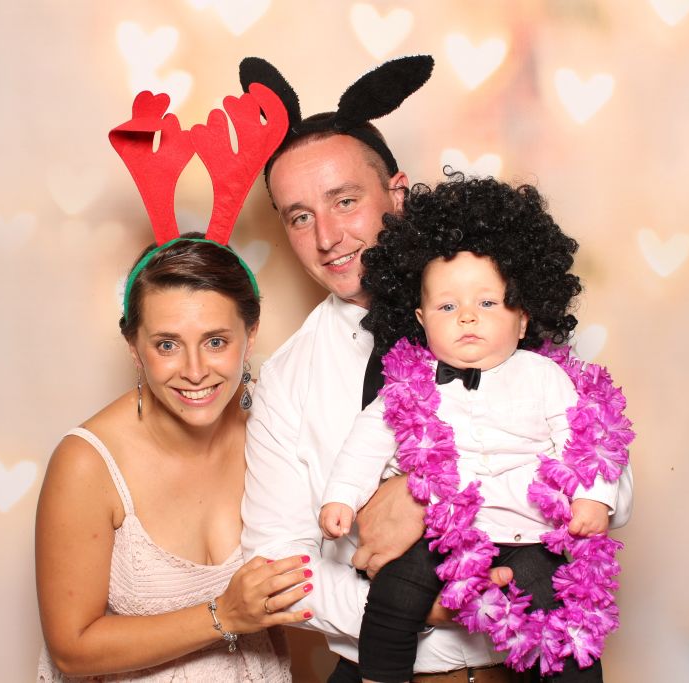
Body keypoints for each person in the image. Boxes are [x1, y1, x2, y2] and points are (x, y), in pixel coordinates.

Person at [239, 56, 634, 683]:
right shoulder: (287, 378)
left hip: (518, 664)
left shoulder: (494, 305)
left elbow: (611, 482)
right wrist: (424, 607)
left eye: (345, 201)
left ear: (396, 192)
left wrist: (431, 494)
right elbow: (278, 565)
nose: (328, 236)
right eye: (300, 216)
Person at [35, 83, 311, 681]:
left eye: (216, 341)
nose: (194, 370)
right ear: (133, 346)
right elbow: (72, 650)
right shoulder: (87, 465)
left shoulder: (276, 426)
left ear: (250, 334)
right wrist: (223, 615)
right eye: (166, 344)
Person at [319, 175, 632, 682]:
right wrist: (342, 497)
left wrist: (593, 500)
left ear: (523, 318)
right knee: (393, 593)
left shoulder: (546, 377)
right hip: (444, 532)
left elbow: (587, 440)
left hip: (531, 533)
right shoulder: (410, 386)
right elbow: (366, 442)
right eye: (448, 307)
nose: (467, 317)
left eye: (487, 304)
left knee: (564, 621)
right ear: (421, 320)